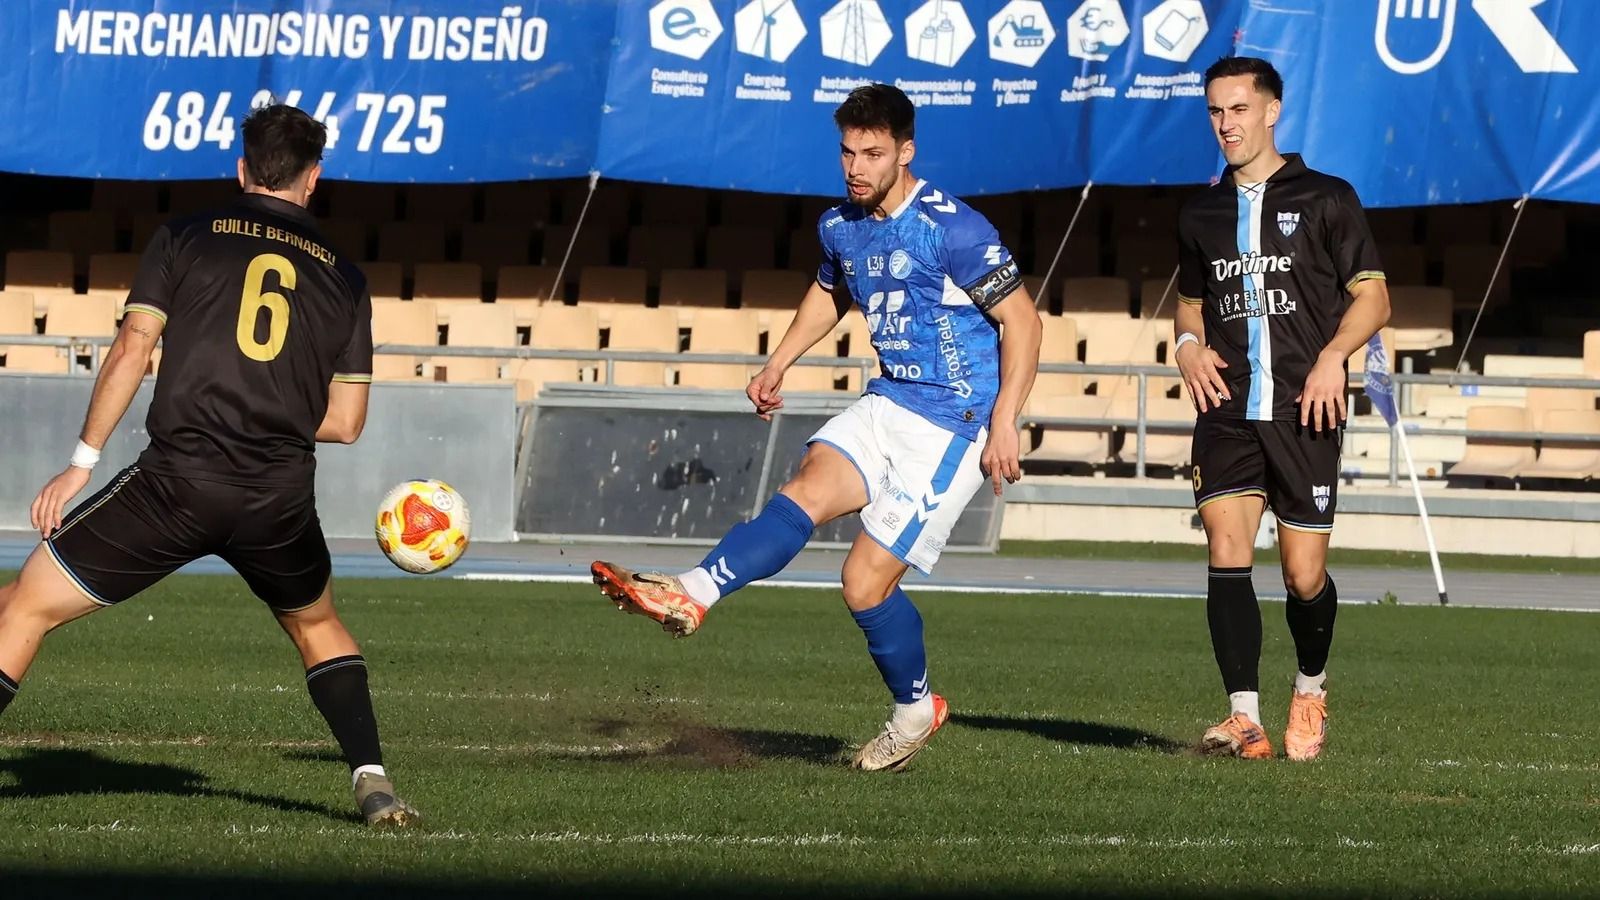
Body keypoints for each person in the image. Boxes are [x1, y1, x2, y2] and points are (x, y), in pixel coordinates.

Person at [592, 83, 1042, 772]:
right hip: (888, 401)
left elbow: (1024, 323)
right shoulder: (840, 225)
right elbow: (831, 290)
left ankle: (916, 710)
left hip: (952, 424)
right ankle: (693, 591)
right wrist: (779, 362)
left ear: (906, 152)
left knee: (862, 584)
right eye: (847, 152)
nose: (856, 167)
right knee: (804, 488)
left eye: (873, 153)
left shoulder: (954, 228)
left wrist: (1005, 419)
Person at [0, 105, 418, 825]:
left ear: (242, 168)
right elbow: (347, 422)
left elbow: (134, 346)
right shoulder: (347, 279)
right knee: (318, 626)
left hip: (176, 487)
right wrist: (274, 410)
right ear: (314, 178)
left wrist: (80, 463)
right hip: (277, 499)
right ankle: (374, 781)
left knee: (23, 607)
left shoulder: (185, 236)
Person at [1174, 57, 1390, 761]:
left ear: (1272, 111)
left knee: (1303, 575)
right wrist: (1186, 346)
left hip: (1306, 410)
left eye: (1238, 109)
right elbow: (1190, 305)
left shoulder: (1328, 198)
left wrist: (1334, 357)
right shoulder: (1200, 212)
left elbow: (1374, 299)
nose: (1226, 124)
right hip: (1227, 409)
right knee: (1226, 550)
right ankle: (1244, 718)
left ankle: (1310, 686)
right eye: (1215, 111)